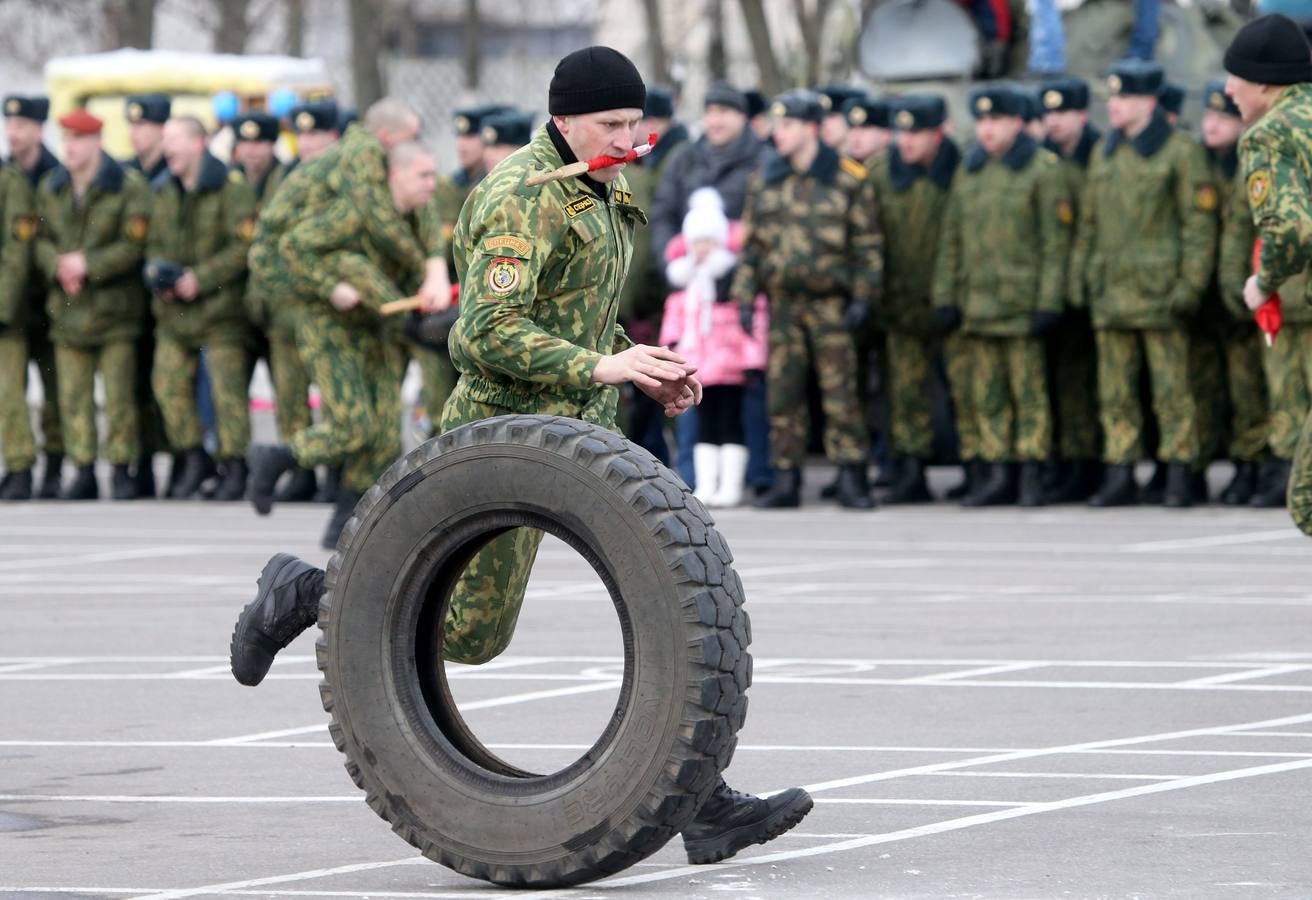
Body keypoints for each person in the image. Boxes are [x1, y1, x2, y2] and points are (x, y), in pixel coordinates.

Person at [230, 46, 813, 866]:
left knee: (669, 597)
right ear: (564, 118)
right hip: (504, 433)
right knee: (466, 632)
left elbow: (572, 312)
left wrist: (634, 361)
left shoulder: (598, 182)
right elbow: (487, 331)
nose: (628, 138)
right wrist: (598, 365)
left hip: (580, 427)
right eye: (611, 124)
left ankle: (698, 803)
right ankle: (303, 592)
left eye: (636, 123)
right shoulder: (521, 196)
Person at [1072, 61, 1216, 508]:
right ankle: (1120, 472)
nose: (1114, 106)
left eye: (1124, 98)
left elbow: (1198, 225)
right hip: (1112, 293)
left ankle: (1180, 472)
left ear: (1149, 102)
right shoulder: (1106, 152)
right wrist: (1082, 276)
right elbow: (1089, 223)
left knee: (1173, 391)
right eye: (1112, 98)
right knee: (1115, 393)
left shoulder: (1179, 152)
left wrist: (1189, 285)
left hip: (1161, 293)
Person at [736, 90, 882, 510]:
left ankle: (853, 475)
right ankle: (787, 477)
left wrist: (863, 298)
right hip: (783, 304)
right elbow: (754, 247)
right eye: (778, 125)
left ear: (812, 128)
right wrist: (746, 297)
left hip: (830, 304)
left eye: (789, 125)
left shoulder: (847, 179)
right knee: (784, 392)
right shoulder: (766, 180)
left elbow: (868, 246)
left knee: (841, 393)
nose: (779, 134)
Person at [933, 85, 1072, 507]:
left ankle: (1032, 473)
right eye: (983, 121)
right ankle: (998, 474)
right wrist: (946, 294)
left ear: (1016, 122)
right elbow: (952, 238)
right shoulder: (970, 170)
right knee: (987, 395)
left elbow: (1055, 244)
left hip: (1022, 304)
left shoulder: (1043, 170)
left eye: (997, 120)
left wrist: (1050, 301)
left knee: (1028, 396)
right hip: (979, 304)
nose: (988, 129)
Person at [34, 109, 151, 500]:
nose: (71, 148)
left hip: (114, 311)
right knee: (73, 396)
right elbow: (39, 237)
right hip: (68, 310)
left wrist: (89, 265)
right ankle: (82, 468)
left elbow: (134, 243)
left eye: (78, 140)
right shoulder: (52, 187)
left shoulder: (126, 186)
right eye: (66, 139)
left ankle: (121, 468)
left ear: (96, 142)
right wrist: (59, 264)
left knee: (118, 397)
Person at [1223, 14, 1312, 531]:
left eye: (1236, 75)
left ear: (1263, 80)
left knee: (1306, 497)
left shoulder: (1270, 136)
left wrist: (1263, 282)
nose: (1230, 88)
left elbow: (1293, 230)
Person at [146, 116, 257, 500]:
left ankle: (235, 463)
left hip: (220, 313)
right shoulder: (163, 191)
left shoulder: (231, 188)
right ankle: (194, 457)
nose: (167, 148)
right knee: (167, 385)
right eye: (165, 140)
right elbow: (154, 244)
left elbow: (244, 247)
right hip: (175, 315)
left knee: (227, 392)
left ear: (197, 144)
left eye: (173, 139)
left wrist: (201, 278)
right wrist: (161, 275)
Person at [872, 95, 961, 504]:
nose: (907, 142)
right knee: (906, 393)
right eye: (902, 132)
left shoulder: (963, 172)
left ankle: (981, 467)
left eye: (917, 132)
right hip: (901, 303)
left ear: (938, 133)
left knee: (967, 389)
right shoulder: (881, 174)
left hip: (955, 303)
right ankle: (910, 471)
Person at [660, 188, 767, 507]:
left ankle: (731, 483)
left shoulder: (733, 282)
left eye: (709, 241)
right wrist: (669, 356)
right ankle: (707, 482)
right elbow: (673, 325)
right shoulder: (685, 285)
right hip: (698, 367)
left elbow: (754, 323)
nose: (703, 249)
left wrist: (753, 360)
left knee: (731, 423)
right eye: (697, 242)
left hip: (731, 368)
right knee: (704, 424)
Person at [1201, 81, 1271, 507]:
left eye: (1223, 117)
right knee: (1236, 389)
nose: (1212, 126)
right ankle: (1246, 465)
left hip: (1260, 295)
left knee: (1261, 388)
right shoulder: (1201, 165)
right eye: (1208, 116)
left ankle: (1264, 465)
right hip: (1220, 295)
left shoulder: (1257, 159)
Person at [618, 85, 690, 466]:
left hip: (662, 294)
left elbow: (648, 242)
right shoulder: (648, 165)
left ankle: (666, 457)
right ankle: (657, 455)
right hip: (652, 295)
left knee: (665, 382)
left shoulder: (666, 163)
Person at [1040, 77, 1104, 502]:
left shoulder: (1101, 156)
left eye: (1063, 113)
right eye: (1049, 114)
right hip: (1053, 290)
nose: (1055, 122)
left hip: (1094, 288)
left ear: (1082, 114)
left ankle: (1095, 465)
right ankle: (1069, 463)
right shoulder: (1043, 161)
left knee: (1096, 385)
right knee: (1063, 385)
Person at [5, 94, 64, 498]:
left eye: (22, 125)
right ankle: (21, 466)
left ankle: (57, 462)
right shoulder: (8, 175)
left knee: (55, 390)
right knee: (10, 388)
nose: (13, 133)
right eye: (9, 125)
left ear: (39, 130)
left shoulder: (57, 175)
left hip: (52, 303)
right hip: (16, 303)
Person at [123, 93, 171, 497]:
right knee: (136, 388)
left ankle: (172, 460)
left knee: (165, 388)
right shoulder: (126, 174)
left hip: (167, 302)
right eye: (134, 125)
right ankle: (143, 465)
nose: (137, 133)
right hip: (132, 301)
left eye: (145, 125)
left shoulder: (172, 175)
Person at [0, 126, 37, 501]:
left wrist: (3, 307)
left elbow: (15, 253)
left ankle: (19, 466)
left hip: (4, 311)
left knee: (7, 393)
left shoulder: (9, 183)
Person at [842, 95, 892, 165]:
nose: (856, 134)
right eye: (852, 127)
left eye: (865, 127)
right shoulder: (841, 168)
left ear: (886, 134)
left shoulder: (895, 171)